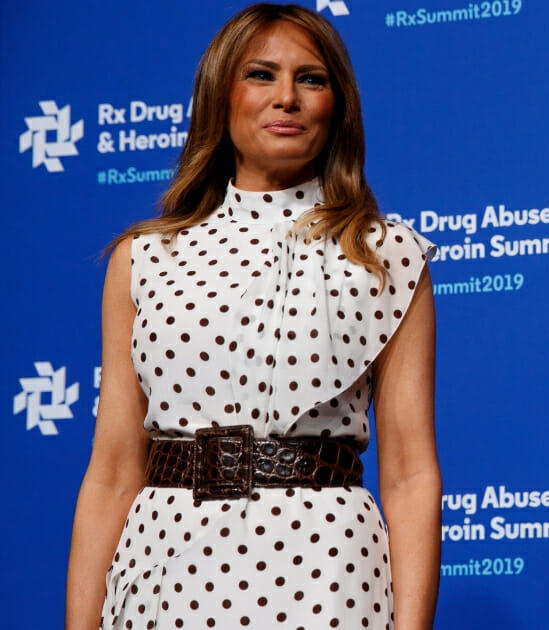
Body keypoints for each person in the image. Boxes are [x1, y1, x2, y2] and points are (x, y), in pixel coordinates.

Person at [64, 5, 441, 629]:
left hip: (327, 570)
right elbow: (111, 471)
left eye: (312, 79)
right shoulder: (144, 258)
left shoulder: (386, 254)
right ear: (220, 95)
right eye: (262, 75)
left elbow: (410, 474)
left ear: (337, 106)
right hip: (167, 563)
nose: (287, 98)